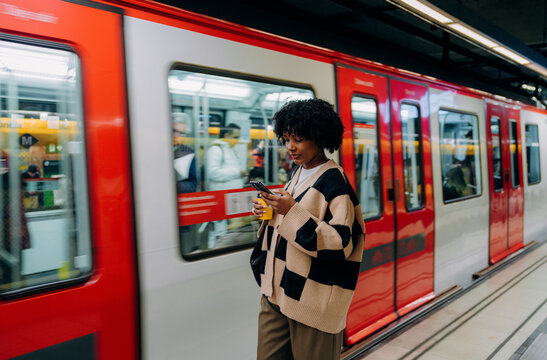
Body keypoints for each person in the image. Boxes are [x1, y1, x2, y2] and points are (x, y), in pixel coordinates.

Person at [251, 99, 365, 360]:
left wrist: (290, 211)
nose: (290, 147)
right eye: (287, 138)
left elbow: (339, 244)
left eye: (299, 139)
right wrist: (269, 214)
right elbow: (292, 221)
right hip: (277, 293)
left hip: (312, 302)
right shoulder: (299, 172)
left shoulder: (335, 182)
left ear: (320, 137)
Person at [205, 123, 248, 248]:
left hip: (231, 199)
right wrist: (237, 172)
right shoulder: (216, 150)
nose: (237, 140)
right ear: (226, 135)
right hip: (220, 198)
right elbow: (213, 173)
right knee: (219, 232)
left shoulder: (231, 151)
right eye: (235, 137)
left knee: (230, 232)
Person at [173, 113, 197, 194]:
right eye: (174, 131)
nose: (177, 136)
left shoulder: (188, 152)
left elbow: (193, 184)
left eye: (181, 133)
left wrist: (174, 186)